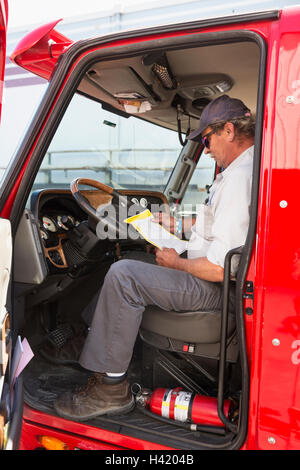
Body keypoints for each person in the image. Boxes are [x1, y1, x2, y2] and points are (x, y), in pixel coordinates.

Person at [54, 95, 255, 421]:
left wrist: (177, 263)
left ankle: (110, 389)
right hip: (209, 277)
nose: (205, 149)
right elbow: (218, 225)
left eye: (206, 139)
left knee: (124, 274)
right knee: (133, 259)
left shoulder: (241, 179)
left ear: (228, 130)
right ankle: (91, 343)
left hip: (217, 289)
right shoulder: (239, 171)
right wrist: (175, 224)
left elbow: (220, 268)